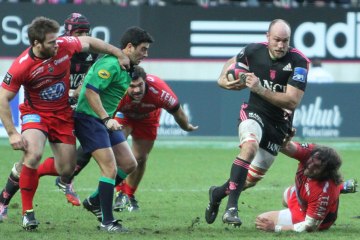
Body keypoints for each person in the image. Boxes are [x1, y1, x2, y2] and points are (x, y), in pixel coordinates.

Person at [0, 16, 129, 231]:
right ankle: (27, 214)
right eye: (51, 42)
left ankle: (20, 174)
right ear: (36, 44)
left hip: (62, 115)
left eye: (56, 39)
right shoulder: (22, 66)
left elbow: (89, 41)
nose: (56, 44)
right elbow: (3, 97)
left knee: (66, 169)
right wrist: (12, 132)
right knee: (33, 153)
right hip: (36, 114)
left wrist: (118, 52)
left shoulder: (63, 46)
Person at [204, 19, 310, 227]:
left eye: (285, 41)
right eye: (277, 40)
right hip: (254, 112)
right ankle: (231, 209)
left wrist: (260, 88)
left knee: (250, 179)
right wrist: (222, 80)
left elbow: (292, 100)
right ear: (267, 37)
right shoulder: (253, 51)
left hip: (279, 124)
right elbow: (234, 62)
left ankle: (217, 193)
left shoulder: (299, 62)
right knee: (249, 146)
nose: (281, 45)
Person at [57, 73, 198, 212]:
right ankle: (70, 176)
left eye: (140, 85)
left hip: (148, 119)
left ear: (145, 82)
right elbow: (98, 112)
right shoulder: (118, 89)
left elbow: (178, 112)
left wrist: (186, 126)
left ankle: (128, 195)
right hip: (122, 115)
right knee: (102, 142)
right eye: (132, 86)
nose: (137, 90)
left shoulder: (159, 91)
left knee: (140, 158)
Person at [74, 27, 154, 233]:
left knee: (129, 164)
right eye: (143, 49)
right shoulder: (110, 64)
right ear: (129, 47)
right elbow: (91, 92)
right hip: (89, 119)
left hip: (103, 121)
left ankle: (93, 201)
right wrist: (106, 118)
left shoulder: (126, 67)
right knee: (109, 168)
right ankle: (107, 222)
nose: (145, 54)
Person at [255, 141, 358, 233]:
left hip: (309, 218)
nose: (310, 166)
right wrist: (272, 138)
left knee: (261, 220)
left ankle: (337, 190)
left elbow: (309, 226)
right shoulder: (311, 152)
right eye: (312, 160)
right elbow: (288, 146)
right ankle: (341, 187)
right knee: (286, 194)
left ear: (327, 173)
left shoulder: (323, 193)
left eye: (317, 166)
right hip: (303, 197)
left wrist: (275, 228)